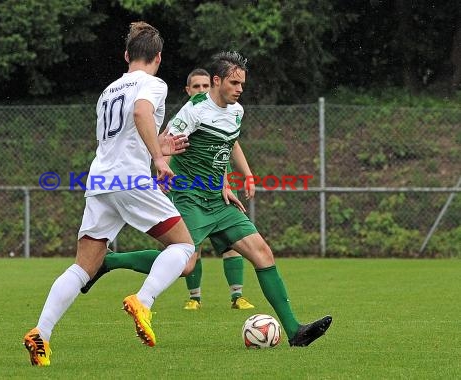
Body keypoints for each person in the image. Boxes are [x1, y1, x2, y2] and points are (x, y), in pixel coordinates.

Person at [82, 51, 333, 347]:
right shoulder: (194, 110)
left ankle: (295, 331)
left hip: (219, 199)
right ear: (217, 81)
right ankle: (108, 262)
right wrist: (161, 171)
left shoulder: (237, 111)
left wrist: (234, 180)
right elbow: (163, 144)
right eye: (234, 82)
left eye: (242, 83)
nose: (240, 88)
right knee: (185, 265)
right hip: (190, 197)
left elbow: (225, 146)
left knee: (263, 253)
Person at [22, 21, 196, 366]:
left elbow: (122, 138)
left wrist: (157, 147)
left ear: (127, 54)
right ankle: (143, 301)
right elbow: (141, 112)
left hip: (101, 179)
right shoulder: (153, 84)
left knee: (84, 266)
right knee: (185, 250)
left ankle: (41, 333)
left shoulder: (109, 90)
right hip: (130, 179)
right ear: (158, 58)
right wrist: (160, 158)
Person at [181, 68, 256, 310]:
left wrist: (240, 178)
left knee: (231, 243)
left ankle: (237, 295)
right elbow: (173, 149)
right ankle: (195, 297)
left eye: (205, 86)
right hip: (191, 190)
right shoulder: (191, 115)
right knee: (191, 250)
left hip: (217, 188)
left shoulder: (229, 112)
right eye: (197, 87)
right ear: (188, 91)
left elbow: (225, 147)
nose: (202, 91)